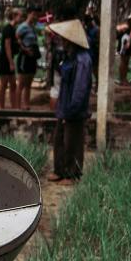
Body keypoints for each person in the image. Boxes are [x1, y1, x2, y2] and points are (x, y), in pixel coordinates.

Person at [46, 19, 92, 184]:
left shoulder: (82, 60)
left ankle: (72, 174)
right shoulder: (70, 57)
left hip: (74, 109)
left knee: (73, 142)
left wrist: (71, 110)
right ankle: (60, 170)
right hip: (65, 106)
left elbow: (80, 89)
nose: (61, 41)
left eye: (64, 38)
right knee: (59, 140)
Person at [15, 7, 41, 108]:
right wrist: (25, 49)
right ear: (29, 14)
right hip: (24, 57)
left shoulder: (32, 27)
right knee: (21, 83)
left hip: (32, 57)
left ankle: (26, 104)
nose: (35, 17)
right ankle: (17, 106)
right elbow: (17, 39)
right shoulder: (23, 27)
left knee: (29, 83)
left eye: (36, 15)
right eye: (33, 14)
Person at [0, 6, 21, 109]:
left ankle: (14, 107)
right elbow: (7, 46)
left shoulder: (13, 29)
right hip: (4, 60)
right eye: (20, 16)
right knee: (3, 85)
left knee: (13, 85)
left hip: (9, 59)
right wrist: (11, 62)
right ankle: (1, 108)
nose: (21, 18)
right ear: (14, 16)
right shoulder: (7, 29)